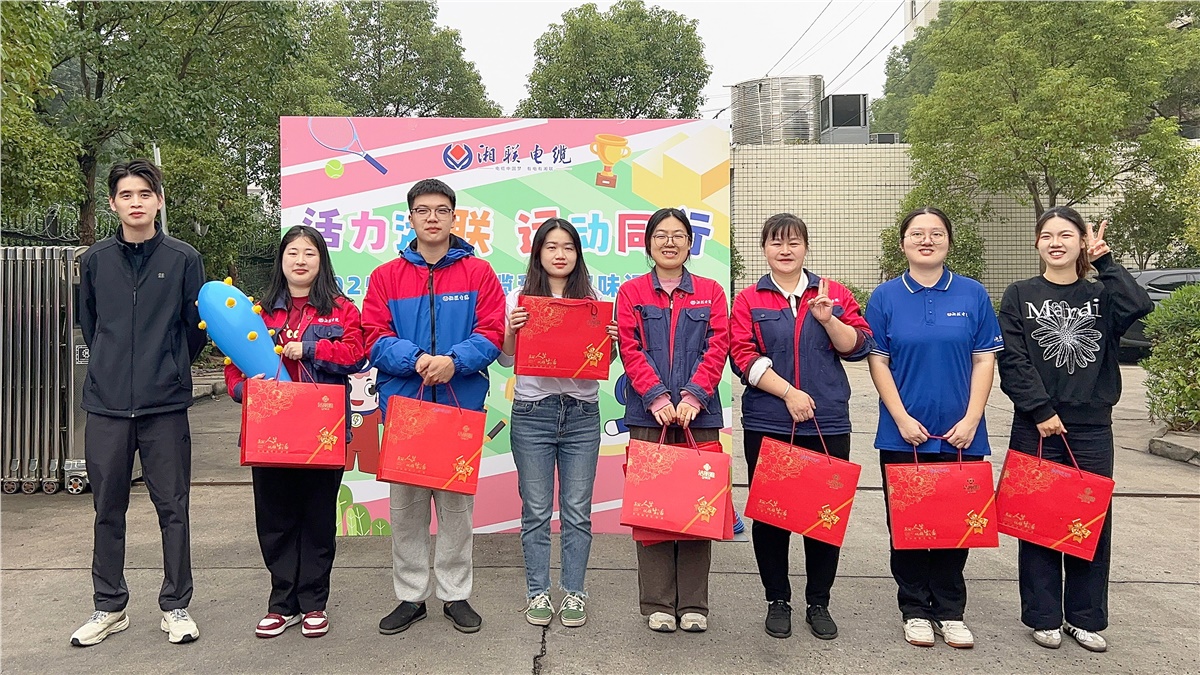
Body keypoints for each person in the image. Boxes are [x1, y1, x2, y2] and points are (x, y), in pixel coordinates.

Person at [997, 208, 1152, 653]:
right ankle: (1043, 616)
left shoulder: (1101, 293)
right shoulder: (1020, 293)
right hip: (1036, 425)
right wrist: (1040, 409)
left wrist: (1106, 262)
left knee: (1090, 521)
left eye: (1066, 235)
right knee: (1037, 520)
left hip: (1091, 424)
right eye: (1047, 235)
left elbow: (1139, 307)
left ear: (1082, 242)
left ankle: (1084, 618)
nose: (1056, 242)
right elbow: (1013, 358)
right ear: (1037, 243)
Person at [71, 159, 207, 646]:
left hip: (163, 405)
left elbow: (194, 329)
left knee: (173, 507)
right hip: (106, 405)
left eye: (145, 194)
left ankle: (176, 605)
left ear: (159, 201)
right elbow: (92, 324)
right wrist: (113, 367)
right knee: (107, 508)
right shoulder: (95, 260)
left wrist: (168, 366)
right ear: (113, 203)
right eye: (126, 195)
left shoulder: (184, 257)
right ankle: (109, 605)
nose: (136, 203)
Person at [362, 178, 505, 636]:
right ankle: (410, 597)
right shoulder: (386, 277)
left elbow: (492, 333)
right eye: (423, 210)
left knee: (456, 511)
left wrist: (454, 361)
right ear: (410, 218)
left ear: (453, 217)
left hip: (460, 411)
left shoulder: (478, 273)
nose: (432, 218)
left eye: (441, 210)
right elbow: (374, 337)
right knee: (406, 511)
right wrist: (418, 359)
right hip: (405, 411)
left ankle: (455, 594)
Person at [729, 213, 874, 640]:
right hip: (769, 421)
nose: (785, 250)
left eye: (793, 242)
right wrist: (789, 393)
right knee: (771, 517)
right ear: (764, 249)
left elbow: (859, 346)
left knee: (823, 516)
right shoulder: (749, 299)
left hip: (826, 422)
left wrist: (829, 319)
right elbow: (741, 356)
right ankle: (777, 599)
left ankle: (819, 602)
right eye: (776, 242)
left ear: (806, 247)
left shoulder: (832, 293)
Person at [865, 207, 1003, 650]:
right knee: (908, 525)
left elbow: (984, 359)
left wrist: (972, 419)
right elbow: (878, 362)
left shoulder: (972, 293)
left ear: (948, 241)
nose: (927, 240)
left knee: (956, 525)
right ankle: (914, 609)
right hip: (903, 435)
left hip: (962, 435)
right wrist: (902, 418)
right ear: (902, 243)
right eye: (917, 233)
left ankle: (950, 611)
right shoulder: (885, 297)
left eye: (937, 233)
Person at [224, 225, 366, 639]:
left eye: (309, 253)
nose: (300, 260)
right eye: (292, 253)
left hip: (322, 431)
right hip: (270, 429)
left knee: (317, 517)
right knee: (275, 518)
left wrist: (311, 348)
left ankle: (314, 602)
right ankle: (281, 603)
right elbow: (234, 362)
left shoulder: (341, 309)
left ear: (322, 261)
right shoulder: (259, 312)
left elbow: (357, 355)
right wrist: (243, 389)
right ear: (281, 260)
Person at [497, 218, 618, 628]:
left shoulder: (593, 300)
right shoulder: (519, 298)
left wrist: (611, 341)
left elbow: (603, 362)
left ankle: (574, 592)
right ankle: (538, 591)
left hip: (582, 413)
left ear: (578, 254)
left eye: (568, 247)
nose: (560, 254)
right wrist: (512, 330)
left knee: (577, 511)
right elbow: (506, 359)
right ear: (538, 254)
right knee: (535, 511)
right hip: (533, 413)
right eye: (551, 246)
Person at [616, 207, 730, 634]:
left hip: (700, 415)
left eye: (678, 235)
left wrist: (694, 396)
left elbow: (718, 346)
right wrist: (657, 397)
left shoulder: (710, 292)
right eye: (661, 235)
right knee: (653, 509)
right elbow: (629, 347)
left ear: (690, 243)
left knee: (699, 507)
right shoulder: (631, 292)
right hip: (649, 415)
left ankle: (695, 604)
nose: (669, 242)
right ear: (648, 244)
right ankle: (658, 603)